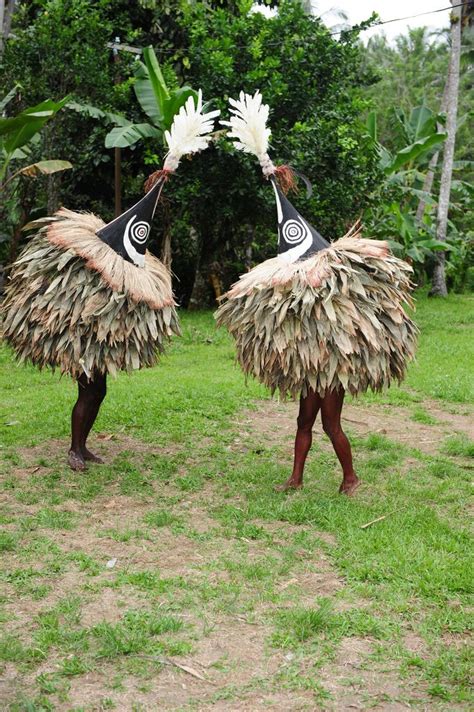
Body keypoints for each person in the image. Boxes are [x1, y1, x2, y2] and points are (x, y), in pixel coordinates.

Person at [2, 91, 219, 471]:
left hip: (93, 333)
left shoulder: (114, 274)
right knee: (90, 391)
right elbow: (80, 294)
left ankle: (81, 446)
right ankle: (74, 449)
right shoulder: (86, 270)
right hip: (84, 337)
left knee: (97, 390)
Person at [216, 91, 417, 495]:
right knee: (303, 423)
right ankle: (295, 478)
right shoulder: (301, 299)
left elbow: (346, 328)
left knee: (331, 424)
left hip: (332, 372)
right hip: (312, 370)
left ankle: (350, 477)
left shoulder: (338, 300)